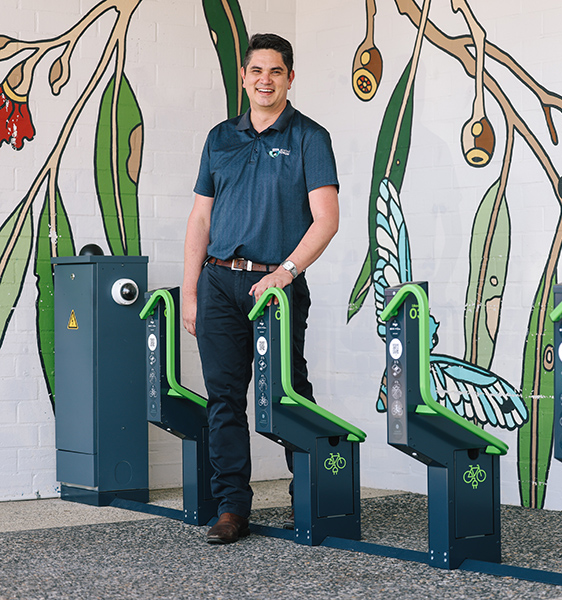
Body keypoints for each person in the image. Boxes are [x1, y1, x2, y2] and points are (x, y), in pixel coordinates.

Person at [182, 33, 340, 544]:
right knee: (224, 399)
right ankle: (232, 509)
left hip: (276, 289)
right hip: (218, 283)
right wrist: (190, 291)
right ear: (244, 77)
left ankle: (311, 497)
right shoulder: (219, 138)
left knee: (288, 391)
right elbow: (200, 218)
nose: (265, 80)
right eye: (256, 71)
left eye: (275, 71)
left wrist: (286, 273)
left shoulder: (309, 137)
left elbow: (326, 220)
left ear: (290, 78)